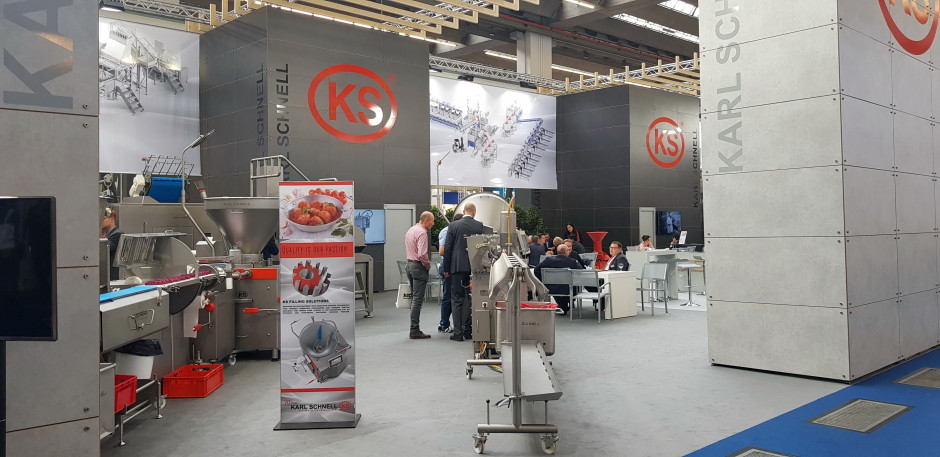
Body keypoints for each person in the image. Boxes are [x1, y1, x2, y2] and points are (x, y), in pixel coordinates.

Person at [443, 203, 484, 342]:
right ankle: (468, 331)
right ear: (474, 212)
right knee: (470, 298)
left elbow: (448, 248)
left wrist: (447, 269)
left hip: (457, 267)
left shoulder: (453, 226)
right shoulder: (479, 226)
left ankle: (458, 333)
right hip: (474, 267)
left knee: (456, 299)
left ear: (464, 211)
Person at [405, 211, 435, 339]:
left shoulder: (410, 230)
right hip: (418, 267)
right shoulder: (422, 233)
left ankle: (414, 327)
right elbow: (422, 253)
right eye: (432, 221)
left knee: (414, 299)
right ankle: (414, 329)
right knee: (417, 300)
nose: (433, 224)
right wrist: (427, 265)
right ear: (426, 220)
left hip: (409, 265)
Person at [534, 244, 583, 315]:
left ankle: (562, 305)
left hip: (551, 287)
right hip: (568, 288)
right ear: (566, 252)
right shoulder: (572, 262)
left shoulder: (548, 260)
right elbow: (580, 272)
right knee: (570, 286)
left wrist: (542, 281)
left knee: (557, 287)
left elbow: (536, 270)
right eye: (568, 250)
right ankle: (564, 304)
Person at [437, 213, 462, 333]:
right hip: (448, 266)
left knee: (454, 295)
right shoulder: (446, 231)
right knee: (448, 295)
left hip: (454, 266)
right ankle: (444, 323)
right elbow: (442, 251)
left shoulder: (453, 231)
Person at [102, 207, 124, 280]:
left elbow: (103, 250)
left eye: (103, 219)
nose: (100, 221)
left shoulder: (117, 234)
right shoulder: (107, 234)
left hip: (112, 275)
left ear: (112, 219)